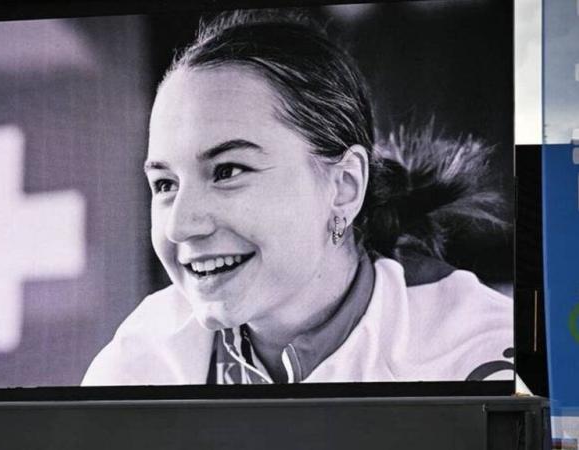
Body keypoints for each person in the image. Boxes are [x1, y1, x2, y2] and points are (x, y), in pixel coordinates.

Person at [82, 10, 513, 386]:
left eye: (228, 171)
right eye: (165, 184)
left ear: (344, 187)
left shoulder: (479, 359)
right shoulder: (144, 361)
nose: (180, 225)